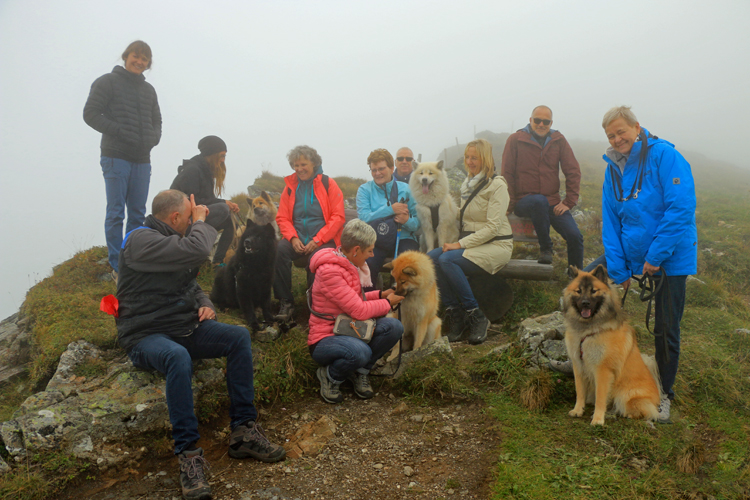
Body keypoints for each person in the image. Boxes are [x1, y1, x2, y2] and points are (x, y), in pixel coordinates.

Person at [116, 190, 285, 500]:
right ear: (176, 217)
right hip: (145, 335)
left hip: (183, 326)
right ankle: (189, 455)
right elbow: (196, 252)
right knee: (177, 357)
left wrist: (205, 302)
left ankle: (244, 431)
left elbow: (191, 284)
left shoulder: (173, 241)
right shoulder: (140, 240)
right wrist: (202, 220)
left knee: (237, 336)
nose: (195, 220)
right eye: (190, 216)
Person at [601, 105, 697, 423]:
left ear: (637, 128)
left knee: (666, 328)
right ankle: (602, 376)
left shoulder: (664, 156)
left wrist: (654, 258)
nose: (617, 139)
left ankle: (665, 394)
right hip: (633, 258)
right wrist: (619, 270)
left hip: (670, 260)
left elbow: (680, 208)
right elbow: (611, 222)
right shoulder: (612, 168)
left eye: (621, 132)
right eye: (611, 135)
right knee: (589, 289)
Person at [84, 40, 162, 279]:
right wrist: (118, 130)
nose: (139, 62)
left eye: (144, 59)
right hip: (115, 156)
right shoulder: (107, 82)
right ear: (126, 56)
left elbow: (157, 120)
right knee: (116, 212)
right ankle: (117, 265)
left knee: (137, 213)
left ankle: (133, 258)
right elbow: (90, 114)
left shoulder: (149, 90)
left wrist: (153, 138)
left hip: (142, 158)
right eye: (136, 56)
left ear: (148, 64)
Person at [307, 219, 405, 403]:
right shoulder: (331, 272)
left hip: (347, 327)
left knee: (394, 327)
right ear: (356, 250)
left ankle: (360, 372)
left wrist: (381, 294)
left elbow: (353, 300)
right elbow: (359, 311)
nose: (372, 255)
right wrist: (388, 303)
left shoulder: (346, 263)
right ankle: (330, 375)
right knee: (361, 352)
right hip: (325, 337)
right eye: (369, 250)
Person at [428, 139, 513, 345]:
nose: (470, 161)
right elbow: (466, 216)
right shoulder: (469, 182)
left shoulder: (497, 185)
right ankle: (455, 313)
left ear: (485, 158)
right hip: (476, 244)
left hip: (496, 245)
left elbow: (493, 227)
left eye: (474, 157)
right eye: (467, 157)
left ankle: (475, 315)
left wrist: (460, 244)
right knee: (431, 258)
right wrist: (437, 207)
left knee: (447, 260)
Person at [501, 105, 584, 268]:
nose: (541, 124)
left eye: (545, 121)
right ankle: (546, 248)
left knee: (575, 236)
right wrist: (509, 204)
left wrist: (568, 202)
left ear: (551, 123)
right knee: (538, 201)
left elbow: (573, 170)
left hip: (552, 202)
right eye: (537, 120)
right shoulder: (515, 139)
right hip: (524, 201)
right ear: (530, 120)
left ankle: (577, 277)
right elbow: (507, 174)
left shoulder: (558, 140)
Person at [274, 145, 346, 321]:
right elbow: (282, 217)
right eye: (295, 165)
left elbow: (338, 217)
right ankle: (286, 302)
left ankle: (315, 305)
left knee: (318, 258)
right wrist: (292, 238)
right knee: (278, 251)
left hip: (323, 239)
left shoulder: (328, 183)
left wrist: (318, 240)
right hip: (296, 238)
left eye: (303, 164)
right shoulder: (290, 187)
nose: (299, 169)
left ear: (314, 163)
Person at [170, 135, 239, 265]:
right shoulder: (193, 170)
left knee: (230, 220)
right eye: (221, 156)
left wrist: (226, 203)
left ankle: (217, 262)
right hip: (182, 221)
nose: (223, 160)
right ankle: (196, 252)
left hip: (195, 217)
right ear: (212, 154)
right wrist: (223, 203)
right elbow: (193, 201)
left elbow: (208, 199)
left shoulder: (205, 170)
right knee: (223, 209)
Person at [356, 148, 420, 287]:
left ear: (392, 168)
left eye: (381, 169)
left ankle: (402, 305)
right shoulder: (364, 190)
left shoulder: (407, 189)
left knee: (406, 266)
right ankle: (370, 305)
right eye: (373, 170)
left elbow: (417, 223)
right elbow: (363, 218)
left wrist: (406, 221)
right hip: (376, 240)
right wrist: (390, 210)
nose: (377, 173)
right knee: (367, 264)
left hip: (404, 238)